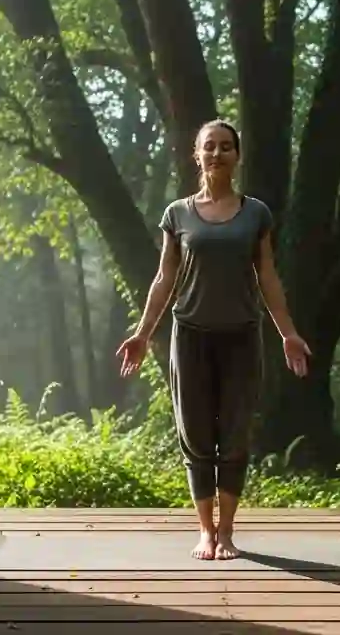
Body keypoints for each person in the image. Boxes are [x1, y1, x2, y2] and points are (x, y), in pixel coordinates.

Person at [115, 119, 310, 561]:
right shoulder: (177, 214)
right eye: (210, 146)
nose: (218, 153)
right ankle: (205, 531)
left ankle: (227, 531)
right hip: (191, 337)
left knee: (236, 435)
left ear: (237, 156)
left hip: (242, 336)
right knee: (197, 436)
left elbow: (268, 276)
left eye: (226, 146)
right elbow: (165, 277)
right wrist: (143, 334)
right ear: (197, 155)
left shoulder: (256, 213)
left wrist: (289, 333)